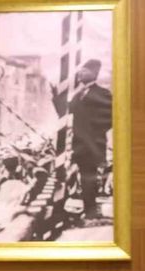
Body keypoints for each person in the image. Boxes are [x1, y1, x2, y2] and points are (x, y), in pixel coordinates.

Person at [51, 58, 112, 220]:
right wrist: (56, 96)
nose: (79, 73)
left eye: (83, 71)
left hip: (92, 144)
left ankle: (90, 210)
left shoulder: (103, 94)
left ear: (94, 73)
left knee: (88, 176)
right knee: (76, 176)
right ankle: (78, 209)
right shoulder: (77, 95)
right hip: (77, 144)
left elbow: (110, 118)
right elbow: (64, 112)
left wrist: (92, 132)